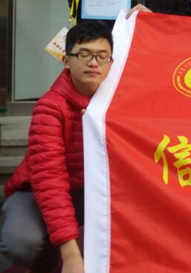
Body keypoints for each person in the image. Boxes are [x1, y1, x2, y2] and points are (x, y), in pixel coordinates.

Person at [1, 21, 114, 273]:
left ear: (111, 63)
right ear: (66, 60)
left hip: (93, 192)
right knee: (22, 241)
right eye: (83, 54)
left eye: (102, 55)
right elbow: (49, 179)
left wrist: (144, 23)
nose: (93, 62)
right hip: (38, 191)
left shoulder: (116, 103)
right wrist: (70, 254)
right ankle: (47, 265)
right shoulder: (49, 107)